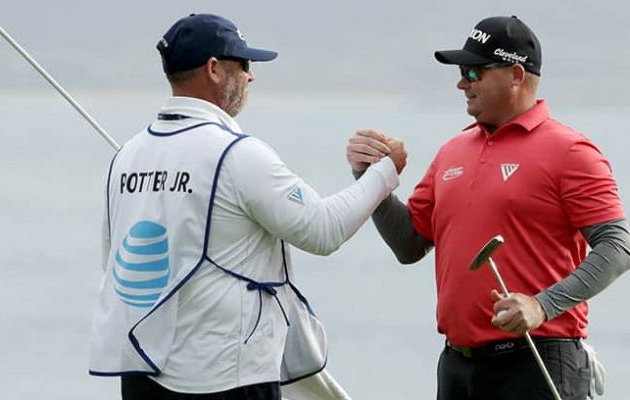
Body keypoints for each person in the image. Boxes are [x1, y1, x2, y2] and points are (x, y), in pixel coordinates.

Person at [88, 13, 406, 400]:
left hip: (141, 371)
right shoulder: (237, 154)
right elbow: (323, 230)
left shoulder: (126, 156)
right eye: (244, 64)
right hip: (225, 376)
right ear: (214, 69)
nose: (250, 76)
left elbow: (113, 262)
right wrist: (385, 172)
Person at [346, 15, 630, 400]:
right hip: (458, 366)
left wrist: (542, 305)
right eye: (462, 72)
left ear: (516, 74)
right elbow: (409, 244)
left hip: (538, 359)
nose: (462, 83)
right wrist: (371, 177)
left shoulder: (570, 151)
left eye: (474, 72)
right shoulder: (452, 151)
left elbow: (618, 246)